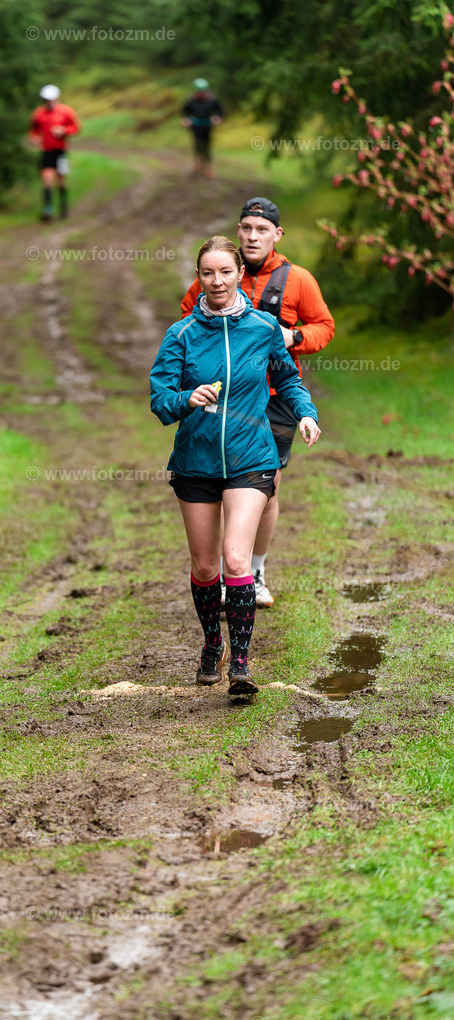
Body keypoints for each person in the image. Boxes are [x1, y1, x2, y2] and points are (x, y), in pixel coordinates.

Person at [151, 236, 321, 694]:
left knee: (234, 558)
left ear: (238, 275)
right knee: (206, 567)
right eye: (208, 273)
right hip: (196, 462)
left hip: (251, 459)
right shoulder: (181, 335)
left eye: (225, 272)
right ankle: (213, 644)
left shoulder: (263, 327)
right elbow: (160, 402)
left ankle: (241, 664)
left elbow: (287, 377)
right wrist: (188, 398)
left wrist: (305, 412)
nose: (217, 281)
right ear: (199, 278)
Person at [180, 198, 334, 607]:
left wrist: (293, 337)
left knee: (266, 486)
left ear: (276, 235)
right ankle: (230, 566)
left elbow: (325, 326)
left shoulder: (298, 278)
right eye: (246, 227)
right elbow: (186, 326)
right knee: (220, 476)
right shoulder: (219, 271)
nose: (252, 236)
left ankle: (254, 569)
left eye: (261, 229)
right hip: (224, 399)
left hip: (276, 398)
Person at [29, 85, 81, 222]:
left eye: (51, 99)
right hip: (46, 151)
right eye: (46, 99)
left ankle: (64, 208)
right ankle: (48, 210)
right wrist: (34, 138)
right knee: (47, 179)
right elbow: (33, 130)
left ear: (57, 98)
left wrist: (64, 130)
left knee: (61, 180)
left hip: (60, 151)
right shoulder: (38, 113)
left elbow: (76, 128)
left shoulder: (66, 112)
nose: (49, 102)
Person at [181, 79, 224, 179]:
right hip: (196, 125)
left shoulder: (213, 100)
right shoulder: (191, 101)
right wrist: (186, 120)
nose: (201, 94)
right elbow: (185, 112)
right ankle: (198, 163)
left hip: (207, 125)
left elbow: (220, 111)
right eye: (199, 92)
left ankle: (208, 167)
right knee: (197, 144)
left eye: (203, 92)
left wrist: (217, 118)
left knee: (207, 145)